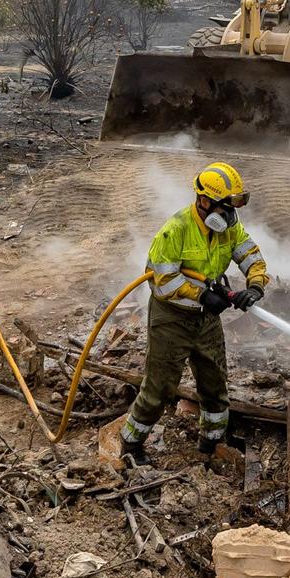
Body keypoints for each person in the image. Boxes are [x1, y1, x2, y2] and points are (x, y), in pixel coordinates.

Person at [120, 162, 269, 463]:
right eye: (225, 206)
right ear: (204, 201)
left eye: (233, 207)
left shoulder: (229, 228)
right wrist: (201, 294)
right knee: (160, 388)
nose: (230, 215)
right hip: (172, 318)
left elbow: (250, 255)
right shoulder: (175, 230)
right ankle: (131, 445)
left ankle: (212, 443)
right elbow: (162, 280)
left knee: (215, 383)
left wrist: (255, 285)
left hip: (206, 320)